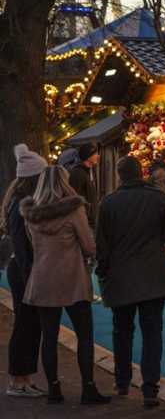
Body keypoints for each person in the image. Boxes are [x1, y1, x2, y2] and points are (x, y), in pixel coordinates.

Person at [96, 156, 165, 408]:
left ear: (119, 175)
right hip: (152, 274)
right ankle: (150, 388)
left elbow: (101, 245)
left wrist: (103, 272)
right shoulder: (157, 199)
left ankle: (122, 381)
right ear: (141, 173)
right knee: (152, 332)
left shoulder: (109, 203)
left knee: (121, 330)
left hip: (121, 276)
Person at [20, 166, 109, 405]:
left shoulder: (31, 214)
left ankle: (54, 390)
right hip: (72, 282)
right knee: (85, 336)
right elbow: (89, 247)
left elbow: (32, 245)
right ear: (64, 182)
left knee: (48, 337)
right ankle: (88, 388)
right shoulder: (73, 210)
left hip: (42, 281)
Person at [3, 144, 46, 398]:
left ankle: (23, 379)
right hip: (24, 272)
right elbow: (22, 246)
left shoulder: (16, 202)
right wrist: (32, 277)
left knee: (28, 324)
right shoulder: (22, 205)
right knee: (26, 325)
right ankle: (18, 380)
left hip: (21, 270)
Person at [67, 143, 100, 229]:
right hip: (84, 223)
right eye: (95, 154)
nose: (98, 156)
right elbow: (74, 197)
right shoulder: (77, 173)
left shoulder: (89, 172)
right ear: (88, 156)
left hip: (90, 221)